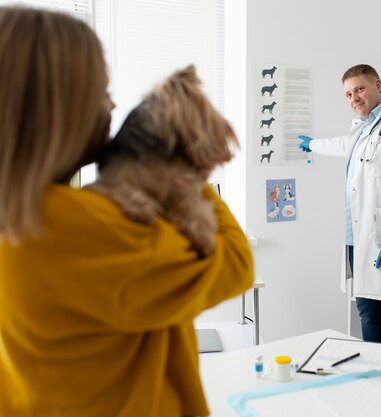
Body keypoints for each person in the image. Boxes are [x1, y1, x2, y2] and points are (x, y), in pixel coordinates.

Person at [0, 7, 253, 417]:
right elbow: (234, 263)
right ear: (58, 108)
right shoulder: (66, 223)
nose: (114, 104)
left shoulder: (23, 211)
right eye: (101, 93)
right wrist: (181, 166)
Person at [298, 64, 381, 361]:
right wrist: (313, 145)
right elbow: (345, 145)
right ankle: (376, 374)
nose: (354, 97)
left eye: (359, 89)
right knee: (368, 314)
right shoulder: (365, 127)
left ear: (378, 85)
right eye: (348, 94)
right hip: (359, 238)